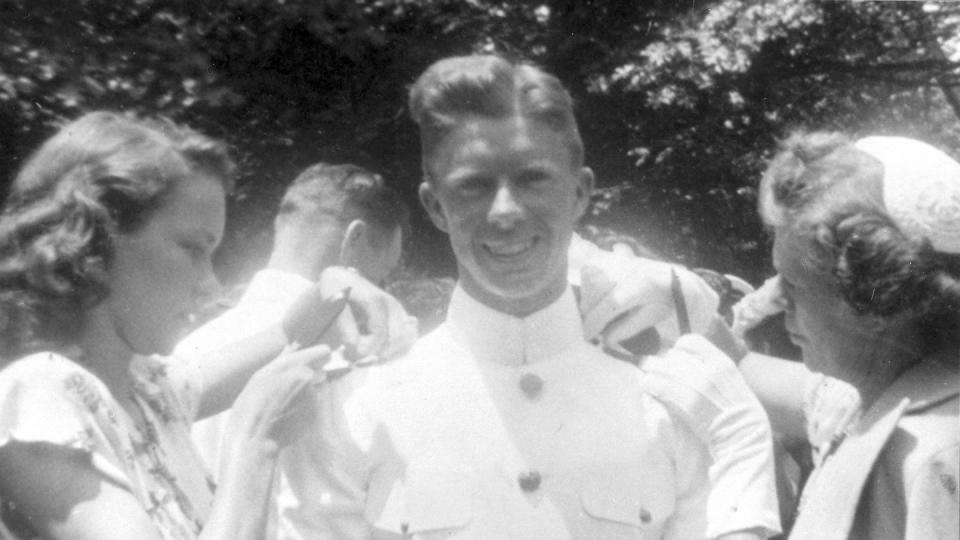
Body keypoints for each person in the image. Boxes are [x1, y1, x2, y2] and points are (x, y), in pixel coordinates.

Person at [275, 54, 778, 539]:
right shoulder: (358, 407)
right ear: (435, 206)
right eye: (473, 186)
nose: (505, 212)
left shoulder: (673, 399)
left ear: (580, 192)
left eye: (533, 178)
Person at [0, 112, 403, 540]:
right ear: (94, 240)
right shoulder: (39, 393)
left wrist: (336, 289)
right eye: (193, 248)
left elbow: (288, 336)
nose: (210, 284)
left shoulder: (147, 390)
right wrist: (257, 438)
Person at [745, 133, 960, 539]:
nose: (775, 299)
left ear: (879, 298)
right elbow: (733, 366)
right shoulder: (876, 400)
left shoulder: (939, 457)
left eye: (793, 283)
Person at [181, 162, 412, 474]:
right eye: (383, 276)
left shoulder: (184, 353)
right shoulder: (365, 364)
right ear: (354, 239)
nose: (381, 291)